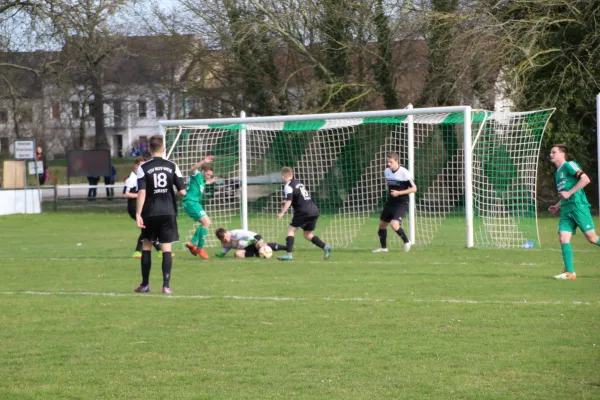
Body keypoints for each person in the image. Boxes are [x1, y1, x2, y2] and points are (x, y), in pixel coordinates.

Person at [135, 135, 186, 294]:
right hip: (168, 212)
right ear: (163, 149)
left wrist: (138, 213)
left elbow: (142, 192)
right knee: (166, 248)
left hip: (150, 212)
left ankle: (145, 284)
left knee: (147, 245)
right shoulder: (172, 166)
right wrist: (172, 196)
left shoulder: (143, 168)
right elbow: (183, 191)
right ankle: (166, 285)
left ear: (149, 149)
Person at [548, 144, 599, 280]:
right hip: (566, 210)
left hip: (578, 206)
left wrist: (569, 193)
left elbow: (585, 179)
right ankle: (570, 273)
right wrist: (557, 206)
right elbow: (564, 194)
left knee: (592, 238)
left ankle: (569, 272)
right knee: (563, 237)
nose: (550, 155)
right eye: (550, 152)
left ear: (562, 154)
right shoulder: (558, 173)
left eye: (553, 152)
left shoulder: (569, 165)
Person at [277, 167, 332, 261]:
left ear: (283, 176)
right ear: (292, 174)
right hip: (313, 210)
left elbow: (290, 201)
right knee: (307, 234)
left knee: (291, 230)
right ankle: (325, 247)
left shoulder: (288, 186)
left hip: (303, 211)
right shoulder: (298, 183)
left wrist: (282, 212)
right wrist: (286, 201)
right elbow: (297, 197)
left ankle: (289, 254)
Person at [372, 152, 417, 253]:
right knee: (382, 224)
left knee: (394, 224)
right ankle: (384, 248)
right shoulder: (387, 172)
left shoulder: (404, 173)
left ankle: (407, 241)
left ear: (397, 161)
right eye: (387, 162)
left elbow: (414, 189)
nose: (388, 164)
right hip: (391, 201)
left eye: (391, 162)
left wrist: (399, 192)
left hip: (402, 202)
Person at [123, 156, 161, 259]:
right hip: (133, 208)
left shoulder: (142, 176)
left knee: (147, 228)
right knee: (148, 227)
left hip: (143, 208)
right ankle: (160, 250)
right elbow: (125, 194)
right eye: (141, 165)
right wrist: (140, 195)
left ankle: (138, 252)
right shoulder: (131, 178)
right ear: (136, 166)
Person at [182, 156, 217, 259]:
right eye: (207, 174)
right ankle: (200, 248)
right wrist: (203, 161)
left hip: (194, 203)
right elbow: (192, 169)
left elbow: (204, 183)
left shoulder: (202, 180)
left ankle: (192, 243)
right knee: (207, 223)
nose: (208, 176)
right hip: (191, 202)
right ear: (202, 171)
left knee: (204, 224)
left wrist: (211, 181)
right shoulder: (196, 174)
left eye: (210, 175)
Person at [214, 228, 288, 258]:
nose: (226, 240)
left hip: (254, 238)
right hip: (247, 247)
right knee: (237, 254)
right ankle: (259, 254)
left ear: (226, 232)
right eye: (223, 240)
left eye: (226, 237)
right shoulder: (224, 242)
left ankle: (286, 248)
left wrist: (259, 242)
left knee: (260, 245)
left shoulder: (236, 233)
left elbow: (252, 237)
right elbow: (227, 248)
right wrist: (221, 254)